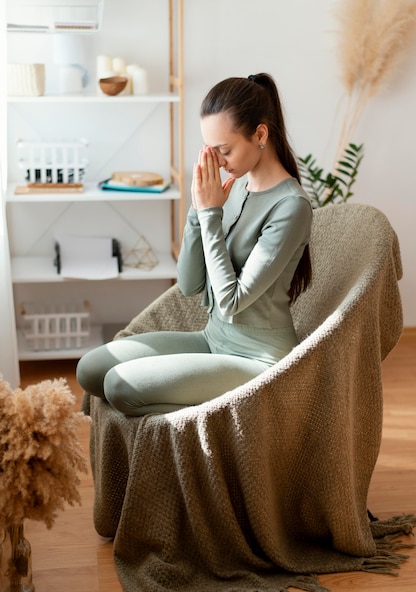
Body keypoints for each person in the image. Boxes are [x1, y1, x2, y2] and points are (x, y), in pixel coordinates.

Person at [76, 72, 312, 416]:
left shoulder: (291, 206)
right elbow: (189, 284)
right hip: (212, 339)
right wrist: (196, 208)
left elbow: (231, 302)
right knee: (91, 370)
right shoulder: (234, 187)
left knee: (119, 387)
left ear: (260, 134)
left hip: (258, 358)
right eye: (211, 152)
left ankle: (205, 412)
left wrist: (210, 214)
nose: (219, 162)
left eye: (225, 150)